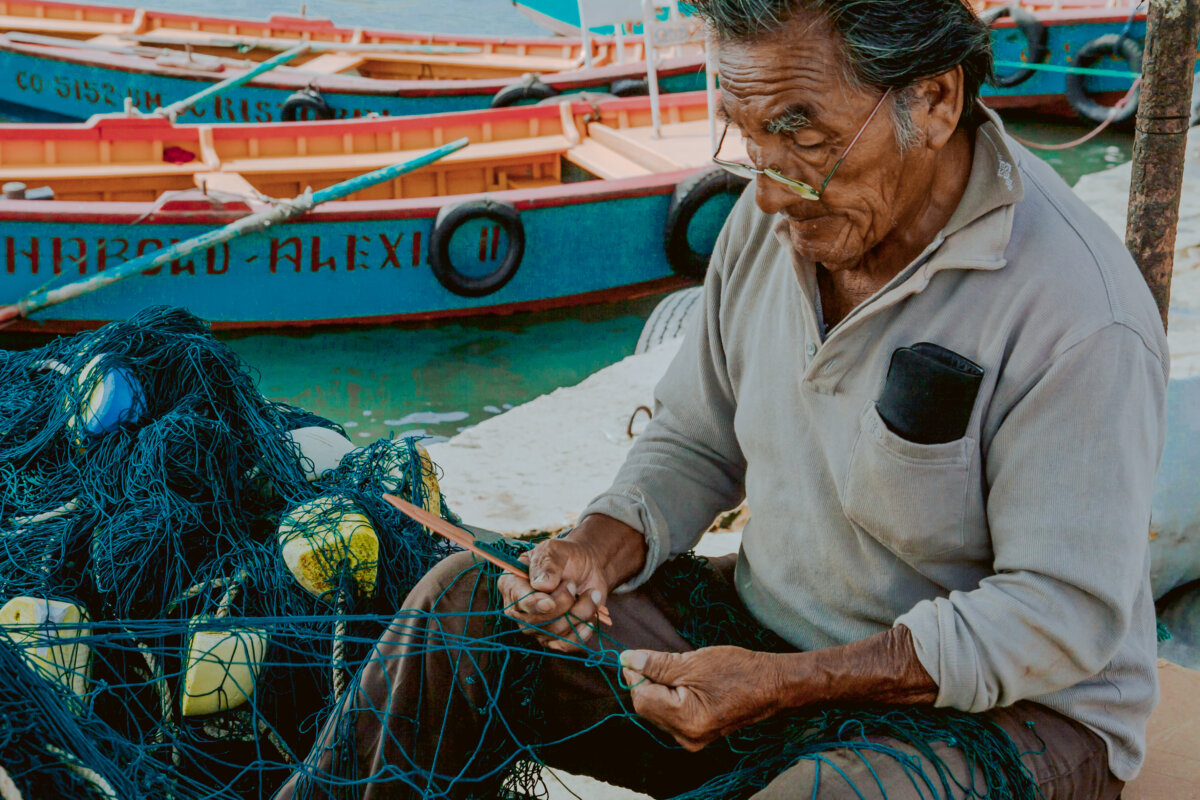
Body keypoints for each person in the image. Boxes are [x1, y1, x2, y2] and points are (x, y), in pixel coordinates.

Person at [276, 1, 1167, 797]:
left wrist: (784, 684)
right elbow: (698, 440)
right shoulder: (773, 221)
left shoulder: (1080, 311)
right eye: (749, 139)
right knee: (467, 600)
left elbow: (1057, 616)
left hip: (1011, 717)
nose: (770, 192)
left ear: (933, 102)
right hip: (766, 649)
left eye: (804, 135)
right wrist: (597, 545)